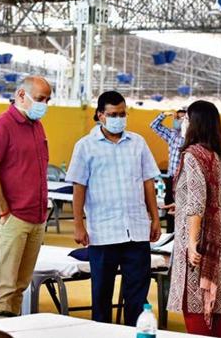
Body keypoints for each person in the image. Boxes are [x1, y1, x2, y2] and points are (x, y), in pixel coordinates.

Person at [66, 90, 162, 325]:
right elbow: (79, 188)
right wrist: (79, 225)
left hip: (136, 230)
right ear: (100, 115)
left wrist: (155, 218)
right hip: (103, 231)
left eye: (122, 114)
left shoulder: (138, 142)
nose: (119, 118)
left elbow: (148, 182)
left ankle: (133, 332)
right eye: (113, 114)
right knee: (101, 294)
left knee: (137, 294)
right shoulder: (85, 146)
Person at [167, 100, 221, 338]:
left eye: (186, 118)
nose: (183, 122)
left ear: (194, 122)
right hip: (219, 232)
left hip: (199, 236)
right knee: (214, 299)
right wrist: (180, 204)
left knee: (195, 301)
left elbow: (198, 202)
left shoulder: (192, 155)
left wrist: (191, 243)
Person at [0, 75, 52, 314]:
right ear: (21, 95)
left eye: (48, 100)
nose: (45, 105)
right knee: (5, 287)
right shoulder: (0, 125)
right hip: (11, 217)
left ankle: (12, 330)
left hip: (35, 218)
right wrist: (3, 210)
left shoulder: (36, 126)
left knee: (20, 287)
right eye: (41, 99)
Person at [149, 109, 186, 233]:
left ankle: (182, 235)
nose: (179, 121)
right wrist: (164, 114)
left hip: (185, 179)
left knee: (183, 208)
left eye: (182, 119)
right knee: (169, 205)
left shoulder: (193, 138)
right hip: (171, 178)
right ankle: (170, 234)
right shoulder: (172, 134)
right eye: (177, 119)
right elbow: (154, 126)